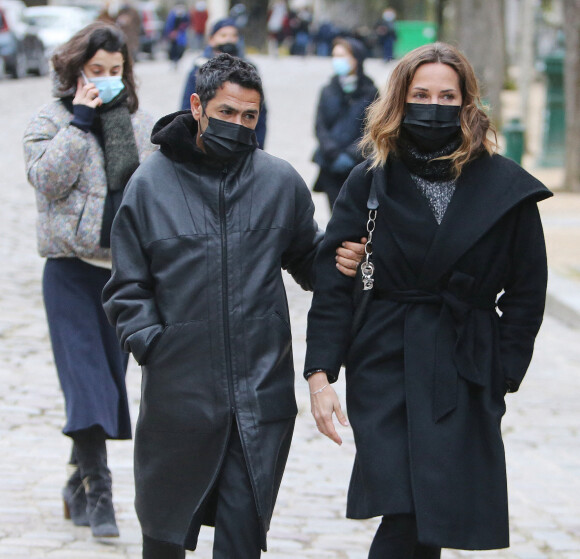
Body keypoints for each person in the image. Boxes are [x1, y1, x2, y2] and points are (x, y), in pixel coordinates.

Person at [101, 53, 362, 558]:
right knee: (163, 534)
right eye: (226, 112)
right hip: (179, 396)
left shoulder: (279, 182)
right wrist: (157, 344)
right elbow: (124, 288)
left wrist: (343, 258)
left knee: (244, 538)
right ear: (198, 105)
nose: (238, 125)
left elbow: (309, 261)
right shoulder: (149, 185)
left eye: (249, 116)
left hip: (259, 394)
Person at [303, 42, 552, 558]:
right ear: (398, 99)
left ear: (467, 105)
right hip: (384, 360)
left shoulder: (505, 188)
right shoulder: (369, 181)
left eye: (446, 95)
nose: (432, 106)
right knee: (405, 507)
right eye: (419, 94)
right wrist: (320, 372)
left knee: (428, 514)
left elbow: (528, 289)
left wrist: (502, 370)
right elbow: (332, 284)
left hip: (464, 366)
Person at [22, 21, 155, 538]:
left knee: (108, 385)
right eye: (96, 70)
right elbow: (48, 182)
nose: (106, 79)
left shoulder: (138, 125)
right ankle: (102, 495)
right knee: (86, 384)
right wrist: (80, 123)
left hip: (120, 278)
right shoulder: (50, 121)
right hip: (70, 273)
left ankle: (77, 480)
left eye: (115, 70)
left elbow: (152, 194)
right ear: (76, 70)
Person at [180, 17, 267, 149]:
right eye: (223, 35)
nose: (229, 39)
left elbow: (260, 111)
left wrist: (258, 147)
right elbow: (186, 109)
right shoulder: (198, 69)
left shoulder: (250, 69)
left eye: (233, 35)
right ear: (212, 39)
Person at [312, 37, 378, 210]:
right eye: (335, 56)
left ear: (357, 58)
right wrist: (332, 152)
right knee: (334, 212)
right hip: (329, 164)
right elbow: (320, 125)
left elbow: (373, 129)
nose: (337, 61)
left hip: (358, 165)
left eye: (342, 56)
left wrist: (351, 154)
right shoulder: (328, 90)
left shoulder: (370, 92)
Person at [164, 3, 189, 68]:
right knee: (173, 49)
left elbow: (187, 23)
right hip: (173, 36)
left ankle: (177, 60)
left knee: (181, 49)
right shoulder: (172, 15)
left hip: (181, 36)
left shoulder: (185, 15)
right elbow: (168, 25)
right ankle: (173, 60)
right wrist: (171, 33)